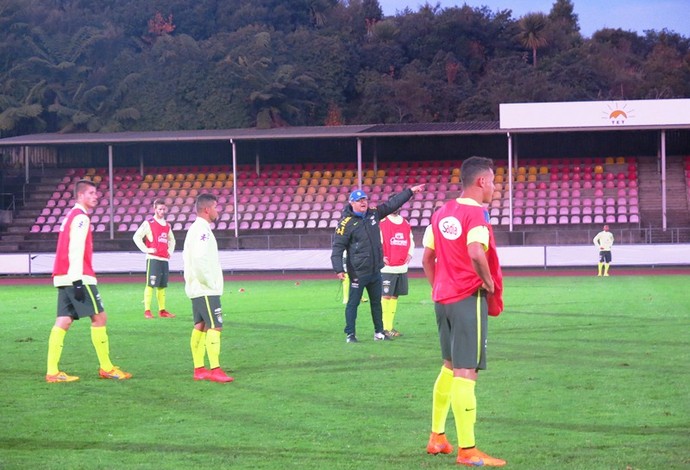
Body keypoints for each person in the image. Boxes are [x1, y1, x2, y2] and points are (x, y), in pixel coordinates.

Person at [421, 156, 505, 467]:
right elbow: (474, 252)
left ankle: (437, 437)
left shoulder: (441, 212)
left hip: (442, 299)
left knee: (448, 366)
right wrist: (488, 282)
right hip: (468, 298)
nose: (495, 188)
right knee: (466, 372)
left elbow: (427, 258)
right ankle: (467, 450)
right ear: (481, 182)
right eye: (493, 181)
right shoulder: (477, 215)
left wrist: (439, 286)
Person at [46, 179, 132, 383]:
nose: (96, 196)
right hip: (78, 276)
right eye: (92, 193)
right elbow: (75, 248)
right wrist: (77, 280)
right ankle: (107, 368)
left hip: (63, 276)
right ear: (81, 195)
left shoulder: (70, 216)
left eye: (96, 193)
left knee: (64, 320)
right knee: (100, 318)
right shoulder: (81, 218)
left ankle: (52, 372)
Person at [331, 184, 425, 343]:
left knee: (376, 303)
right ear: (352, 203)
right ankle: (350, 334)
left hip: (375, 270)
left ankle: (379, 332)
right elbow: (338, 247)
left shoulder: (374, 214)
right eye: (359, 200)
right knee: (353, 304)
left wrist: (410, 191)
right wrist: (338, 268)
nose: (363, 202)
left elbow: (392, 204)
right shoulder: (345, 223)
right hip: (358, 272)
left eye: (365, 199)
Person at [183, 193, 233, 383]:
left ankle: (199, 368)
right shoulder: (202, 230)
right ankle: (215, 369)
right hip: (205, 288)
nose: (217, 211)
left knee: (200, 326)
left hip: (198, 288)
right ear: (207, 209)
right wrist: (209, 282)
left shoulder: (196, 229)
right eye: (215, 207)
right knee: (215, 326)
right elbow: (199, 258)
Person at [132, 198, 177, 319]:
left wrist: (170, 252)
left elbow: (172, 240)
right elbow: (136, 237)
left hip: (164, 259)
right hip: (153, 259)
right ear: (154, 209)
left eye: (163, 209)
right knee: (150, 284)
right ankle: (147, 310)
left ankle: (162, 310)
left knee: (162, 285)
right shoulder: (149, 223)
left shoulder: (167, 225)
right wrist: (147, 250)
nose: (162, 211)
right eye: (160, 209)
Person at [379, 204, 414, 337]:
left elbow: (410, 240)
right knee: (386, 296)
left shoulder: (405, 222)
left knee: (394, 296)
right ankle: (384, 327)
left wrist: (410, 253)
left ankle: (390, 327)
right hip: (387, 268)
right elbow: (377, 241)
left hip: (401, 267)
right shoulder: (383, 222)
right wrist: (381, 256)